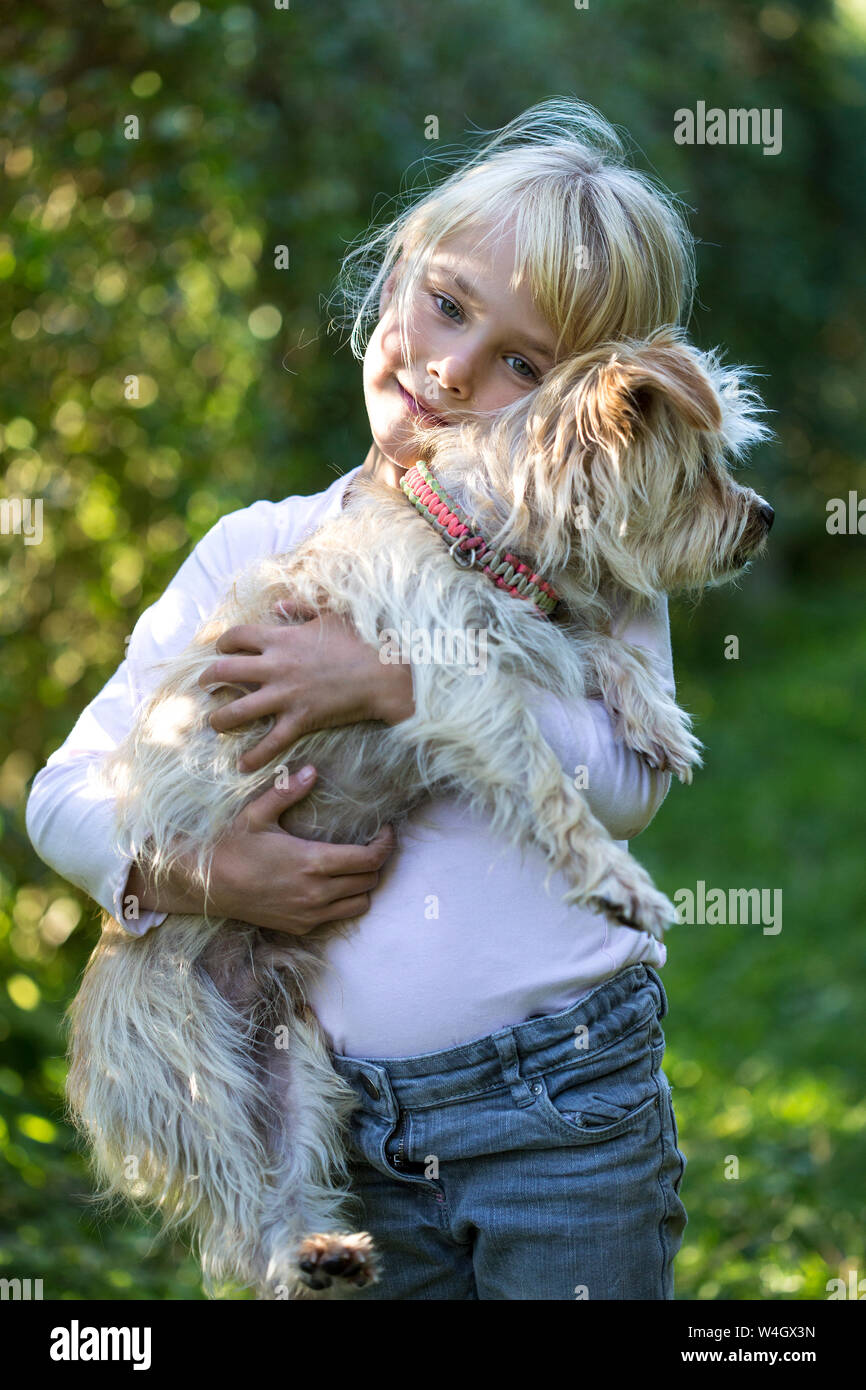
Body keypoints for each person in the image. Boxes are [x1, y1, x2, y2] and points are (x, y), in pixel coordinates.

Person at [26, 99, 691, 1299]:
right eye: (444, 304)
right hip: (346, 1131)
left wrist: (393, 682)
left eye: (523, 364)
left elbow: (629, 785)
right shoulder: (257, 547)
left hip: (565, 1106)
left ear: (591, 415)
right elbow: (61, 797)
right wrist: (199, 875)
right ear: (392, 280)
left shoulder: (584, 563)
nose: (449, 367)